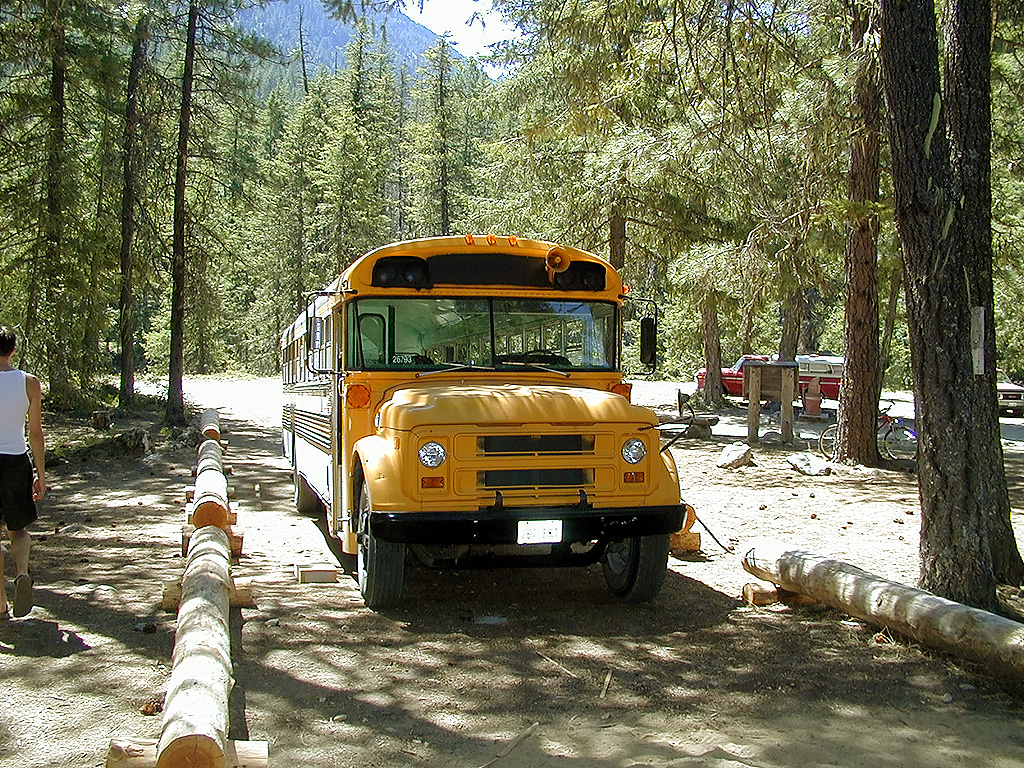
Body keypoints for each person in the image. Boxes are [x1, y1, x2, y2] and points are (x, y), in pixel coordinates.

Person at [0, 327, 45, 619]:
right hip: (16, 461)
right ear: (13, 350)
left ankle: (0, 604)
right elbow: (36, 432)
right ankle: (21, 572)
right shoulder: (29, 382)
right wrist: (41, 473)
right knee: (19, 529)